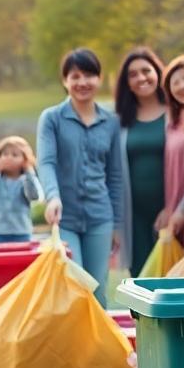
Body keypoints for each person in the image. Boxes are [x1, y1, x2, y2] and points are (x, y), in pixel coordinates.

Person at [37, 47, 123, 307]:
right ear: (65, 81)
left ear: (99, 79)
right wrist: (52, 197)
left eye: (89, 75)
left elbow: (115, 176)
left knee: (97, 291)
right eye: (75, 76)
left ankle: (99, 348)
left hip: (100, 217)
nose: (82, 82)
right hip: (65, 218)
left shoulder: (111, 122)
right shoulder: (51, 118)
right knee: (74, 288)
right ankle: (72, 348)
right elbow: (46, 162)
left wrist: (117, 224)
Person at [113, 47, 171, 276]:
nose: (141, 78)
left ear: (157, 72)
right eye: (133, 74)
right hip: (132, 215)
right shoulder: (119, 120)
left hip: (170, 213)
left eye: (146, 71)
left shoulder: (176, 113)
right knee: (140, 281)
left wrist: (172, 207)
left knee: (173, 280)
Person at [0, 135, 42, 243]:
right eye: (5, 154)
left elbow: (34, 196)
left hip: (21, 233)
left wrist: (29, 172)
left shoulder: (26, 180)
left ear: (25, 159)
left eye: (15, 155)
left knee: (19, 260)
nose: (9, 157)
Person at [160, 54, 184, 246]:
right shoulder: (172, 124)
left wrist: (183, 209)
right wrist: (169, 209)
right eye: (176, 82)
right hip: (175, 212)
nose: (183, 86)